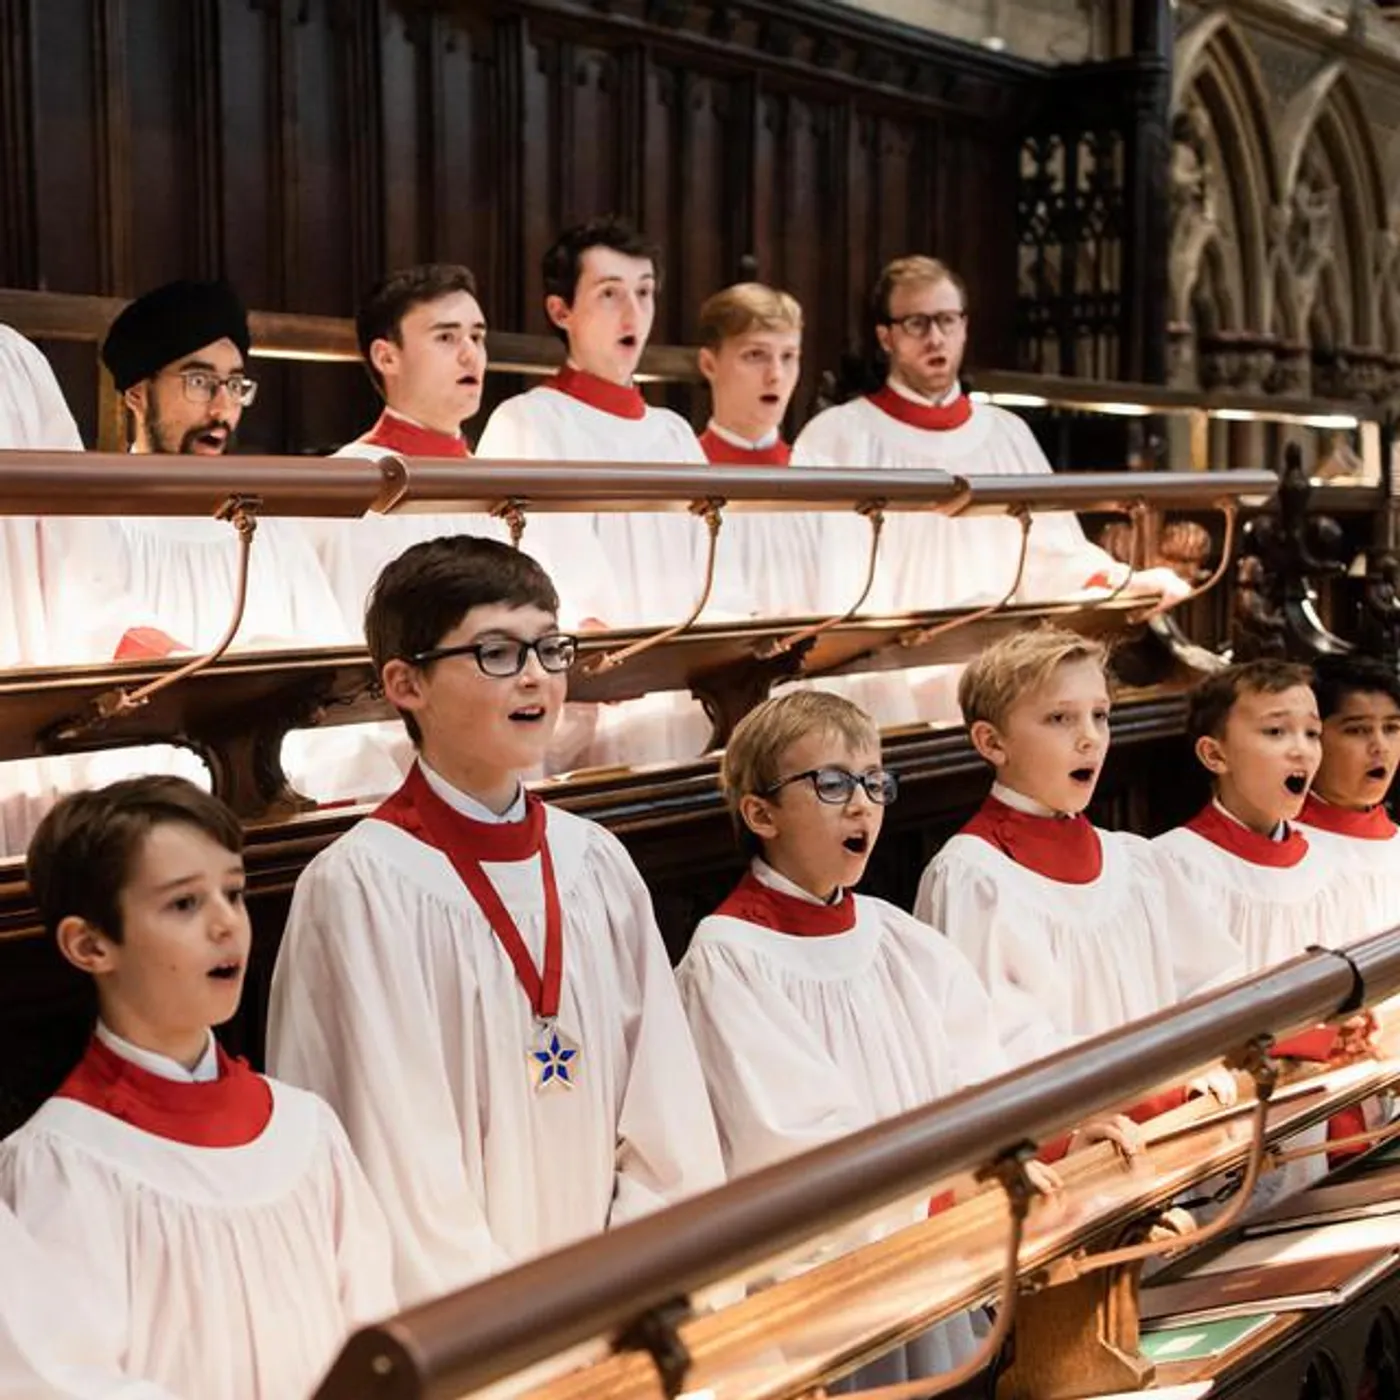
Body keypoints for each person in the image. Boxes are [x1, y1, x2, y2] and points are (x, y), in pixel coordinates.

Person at [266, 535, 726, 1307]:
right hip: (474, 1343)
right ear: (406, 683)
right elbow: (394, 1176)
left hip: (622, 1318)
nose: (538, 678)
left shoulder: (596, 864)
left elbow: (667, 1113)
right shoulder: (360, 889)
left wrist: (638, 1297)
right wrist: (521, 1337)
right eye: (496, 653)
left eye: (550, 648)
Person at [678, 689, 1131, 1387]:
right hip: (830, 1302)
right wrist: (946, 1197)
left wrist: (1055, 1141)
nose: (862, 804)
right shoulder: (729, 958)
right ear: (760, 813)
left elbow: (981, 1086)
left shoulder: (900, 941)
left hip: (936, 1261)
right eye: (831, 784)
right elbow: (792, 1146)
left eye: (873, 782)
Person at [0, 777, 395, 1400]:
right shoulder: (64, 1164)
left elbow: (375, 1332)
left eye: (233, 893)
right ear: (90, 944)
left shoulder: (303, 1128)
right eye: (184, 904)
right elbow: (64, 1382)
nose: (226, 924)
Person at [792, 256, 1189, 723]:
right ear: (886, 337)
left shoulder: (1007, 433)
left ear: (964, 327)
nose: (935, 337)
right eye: (917, 323)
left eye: (946, 320)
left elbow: (1052, 552)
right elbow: (829, 577)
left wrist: (1120, 584)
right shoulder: (838, 435)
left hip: (1000, 676)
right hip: (884, 679)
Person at [915, 628, 1243, 1060]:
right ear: (991, 742)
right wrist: (1148, 1086)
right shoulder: (973, 878)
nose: (1091, 737)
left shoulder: (1135, 863)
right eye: (1060, 718)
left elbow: (1213, 982)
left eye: (1101, 715)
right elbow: (998, 1047)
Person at [477, 218, 736, 764]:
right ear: (560, 311)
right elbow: (537, 572)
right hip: (589, 712)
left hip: (685, 706)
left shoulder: (673, 433)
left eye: (644, 293)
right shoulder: (529, 422)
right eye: (610, 293)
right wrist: (600, 642)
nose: (632, 313)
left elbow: (714, 567)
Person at [45, 279, 348, 662]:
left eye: (235, 385)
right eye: (200, 382)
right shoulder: (93, 526)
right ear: (137, 394)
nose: (222, 410)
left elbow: (326, 659)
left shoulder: (271, 527)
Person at [1297, 653, 1400, 933]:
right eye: (1357, 730)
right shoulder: (1286, 853)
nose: (1381, 746)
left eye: (1391, 728)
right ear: (1312, 738)